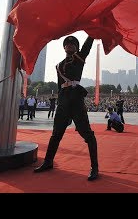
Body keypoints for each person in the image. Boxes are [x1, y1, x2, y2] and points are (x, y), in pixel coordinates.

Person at [33, 35, 99, 181]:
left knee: (87, 134)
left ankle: (95, 167)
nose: (70, 45)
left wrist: (92, 32)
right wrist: (60, 103)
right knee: (56, 134)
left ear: (77, 48)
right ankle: (48, 161)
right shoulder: (58, 66)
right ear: (64, 48)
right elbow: (59, 87)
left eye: (73, 44)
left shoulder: (79, 58)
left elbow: (87, 46)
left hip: (76, 100)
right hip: (63, 101)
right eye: (67, 44)